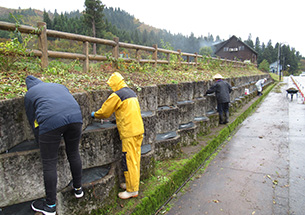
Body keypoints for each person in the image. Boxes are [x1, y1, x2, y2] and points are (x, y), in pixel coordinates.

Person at [24, 75, 83, 215]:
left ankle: (50, 205)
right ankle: (78, 189)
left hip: (51, 122)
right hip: (76, 118)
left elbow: (33, 120)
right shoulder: (58, 85)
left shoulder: (30, 94)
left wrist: (39, 139)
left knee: (49, 163)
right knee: (74, 153)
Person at [91, 72, 144, 200]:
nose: (111, 87)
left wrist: (95, 114)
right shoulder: (131, 93)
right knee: (135, 159)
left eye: (111, 84)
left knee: (129, 160)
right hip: (138, 130)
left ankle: (132, 190)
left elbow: (105, 112)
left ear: (115, 83)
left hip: (129, 132)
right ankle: (132, 184)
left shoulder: (117, 95)